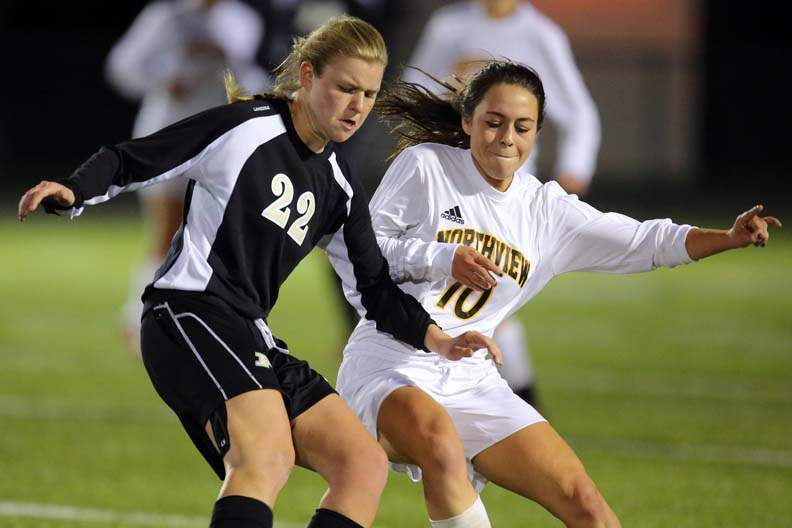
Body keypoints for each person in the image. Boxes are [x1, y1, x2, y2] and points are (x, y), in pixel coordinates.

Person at [17, 16, 499, 528]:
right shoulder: (245, 127)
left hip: (250, 331)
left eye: (369, 94)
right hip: (188, 313)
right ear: (308, 76)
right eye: (345, 88)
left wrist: (440, 340)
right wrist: (75, 190)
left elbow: (374, 288)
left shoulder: (339, 185)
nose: (357, 106)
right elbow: (136, 158)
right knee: (265, 458)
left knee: (361, 464)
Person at [333, 61, 781, 527]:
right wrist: (441, 257)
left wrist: (727, 238)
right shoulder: (426, 165)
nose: (507, 137)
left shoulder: (546, 211)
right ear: (467, 122)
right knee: (439, 446)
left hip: (471, 377)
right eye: (493, 122)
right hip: (392, 362)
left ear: (536, 133)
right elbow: (360, 249)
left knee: (587, 505)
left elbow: (645, 240)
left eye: (522, 127)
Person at [404, 0, 602, 406]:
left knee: (483, 299)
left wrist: (570, 178)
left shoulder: (540, 34)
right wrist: (455, 86)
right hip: (450, 184)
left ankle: (515, 413)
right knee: (465, 302)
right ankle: (514, 412)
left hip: (509, 193)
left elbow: (579, 113)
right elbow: (413, 86)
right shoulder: (449, 26)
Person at [105, 0, 270, 354]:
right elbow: (123, 67)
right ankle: (137, 320)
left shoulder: (240, 20)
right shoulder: (166, 17)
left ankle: (183, 320)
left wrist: (227, 60)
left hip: (218, 142)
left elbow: (254, 79)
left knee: (204, 239)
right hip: (167, 132)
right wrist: (167, 78)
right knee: (166, 230)